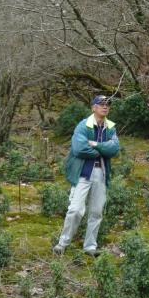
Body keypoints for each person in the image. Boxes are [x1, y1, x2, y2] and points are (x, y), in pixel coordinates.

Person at [54, 94, 120, 256]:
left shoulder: (110, 127)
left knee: (96, 212)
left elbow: (115, 149)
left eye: (108, 104)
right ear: (93, 107)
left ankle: (90, 246)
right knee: (75, 210)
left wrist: (96, 144)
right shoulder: (83, 126)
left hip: (101, 174)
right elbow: (79, 149)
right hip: (82, 174)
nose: (105, 106)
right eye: (102, 104)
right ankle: (62, 244)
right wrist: (101, 151)